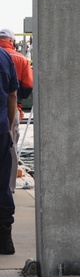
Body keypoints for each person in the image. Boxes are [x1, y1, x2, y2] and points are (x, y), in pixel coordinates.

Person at [0, 29, 31, 193]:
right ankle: (9, 187)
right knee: (10, 147)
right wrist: (19, 101)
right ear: (12, 41)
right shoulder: (21, 58)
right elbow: (28, 85)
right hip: (12, 108)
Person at [0, 48, 18, 255]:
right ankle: (5, 240)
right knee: (2, 183)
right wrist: (9, 128)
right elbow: (12, 94)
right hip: (0, 130)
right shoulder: (4, 57)